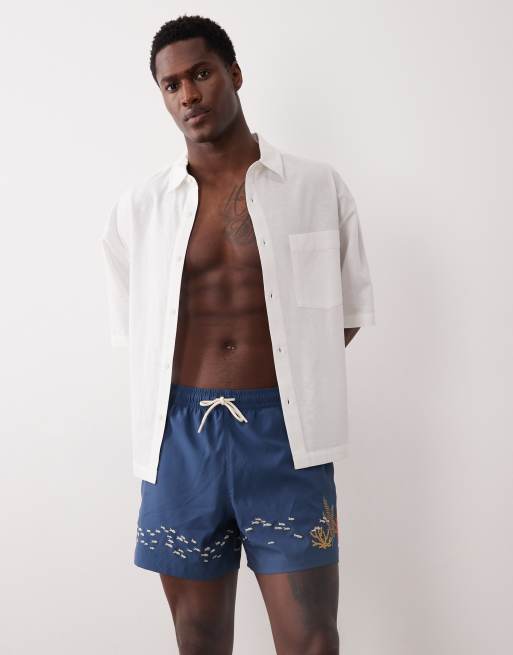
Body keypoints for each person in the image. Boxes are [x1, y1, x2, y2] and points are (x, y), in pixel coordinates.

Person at [100, 13, 375, 655]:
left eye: (201, 74)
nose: (188, 95)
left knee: (312, 640)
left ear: (235, 74)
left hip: (287, 437)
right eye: (171, 85)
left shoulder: (316, 187)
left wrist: (288, 376)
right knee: (198, 639)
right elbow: (139, 329)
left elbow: (345, 312)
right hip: (179, 440)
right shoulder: (140, 208)